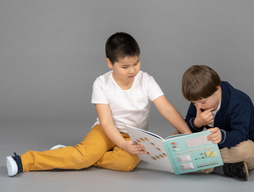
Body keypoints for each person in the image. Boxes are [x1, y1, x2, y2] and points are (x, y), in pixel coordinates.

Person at [6, 32, 192, 177]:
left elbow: (166, 108)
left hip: (134, 135)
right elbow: (106, 122)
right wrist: (120, 143)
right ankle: (24, 160)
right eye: (125, 67)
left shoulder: (146, 80)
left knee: (126, 164)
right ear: (109, 63)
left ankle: (72, 154)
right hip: (105, 130)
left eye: (136, 63)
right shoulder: (101, 83)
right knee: (82, 157)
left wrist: (189, 135)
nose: (133, 70)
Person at [181, 65, 254, 181]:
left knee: (249, 151)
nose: (198, 106)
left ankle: (204, 164)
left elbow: (241, 134)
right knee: (177, 133)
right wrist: (197, 123)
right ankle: (222, 167)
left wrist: (222, 136)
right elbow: (188, 127)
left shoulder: (239, 102)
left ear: (217, 89)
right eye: (194, 103)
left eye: (202, 102)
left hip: (237, 144)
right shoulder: (199, 99)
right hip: (212, 144)